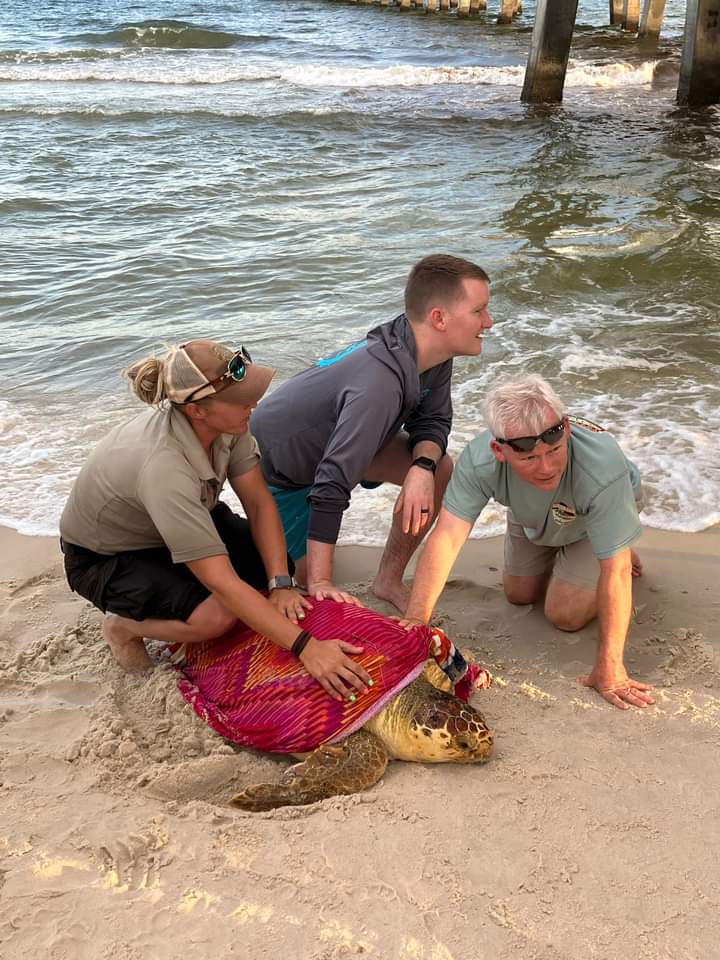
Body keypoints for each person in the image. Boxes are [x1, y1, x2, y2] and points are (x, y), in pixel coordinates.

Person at [59, 339, 371, 701]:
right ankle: (122, 627)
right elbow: (220, 580)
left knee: (275, 565)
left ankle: (194, 608)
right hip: (106, 556)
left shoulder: (229, 425)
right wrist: (307, 647)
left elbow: (259, 503)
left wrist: (282, 584)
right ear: (197, 411)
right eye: (241, 399)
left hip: (176, 522)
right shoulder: (163, 467)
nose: (253, 404)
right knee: (216, 617)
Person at [250, 253, 493, 612]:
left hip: (347, 440)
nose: (489, 322)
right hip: (278, 469)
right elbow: (331, 481)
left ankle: (388, 581)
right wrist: (321, 582)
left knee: (439, 468)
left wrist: (422, 468)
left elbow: (433, 421)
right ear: (439, 318)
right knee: (298, 585)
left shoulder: (431, 352)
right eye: (479, 311)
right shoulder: (379, 384)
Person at [402, 373, 655, 712]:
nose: (547, 467)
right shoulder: (480, 460)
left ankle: (614, 540)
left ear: (565, 430)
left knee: (564, 614)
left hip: (601, 507)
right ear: (499, 450)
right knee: (519, 593)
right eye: (530, 458)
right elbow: (446, 536)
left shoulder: (601, 468)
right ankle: (594, 544)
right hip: (534, 513)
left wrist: (611, 668)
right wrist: (417, 621)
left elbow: (617, 572)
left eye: (554, 450)